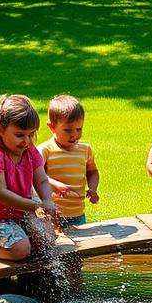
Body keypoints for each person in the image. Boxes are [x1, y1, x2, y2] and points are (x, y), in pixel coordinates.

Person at [0, 94, 57, 261]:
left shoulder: (30, 151)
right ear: (1, 130)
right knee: (21, 250)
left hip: (19, 211)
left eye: (31, 135)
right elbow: (1, 194)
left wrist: (47, 200)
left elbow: (42, 180)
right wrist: (36, 206)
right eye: (20, 135)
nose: (26, 141)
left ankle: (13, 239)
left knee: (47, 240)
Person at [39, 94, 100, 227]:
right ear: (52, 127)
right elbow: (36, 177)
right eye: (67, 130)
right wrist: (55, 184)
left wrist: (93, 188)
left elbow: (92, 172)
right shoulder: (45, 151)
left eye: (79, 129)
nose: (74, 134)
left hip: (78, 213)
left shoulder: (85, 149)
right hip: (52, 214)